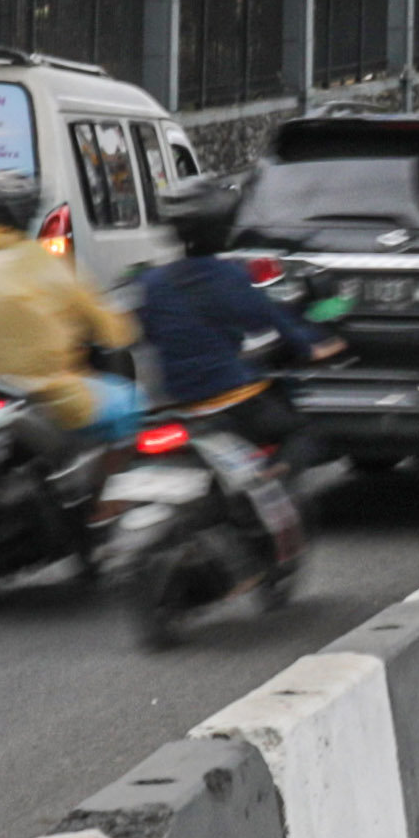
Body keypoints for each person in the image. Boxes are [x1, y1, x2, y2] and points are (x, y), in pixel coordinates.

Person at [127, 178, 326, 567]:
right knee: (303, 433)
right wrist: (312, 346)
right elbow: (277, 327)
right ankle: (271, 481)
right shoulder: (230, 277)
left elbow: (140, 336)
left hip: (175, 409)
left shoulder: (151, 283)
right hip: (233, 405)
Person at [0, 171, 139, 442]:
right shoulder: (45, 263)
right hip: (41, 398)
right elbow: (112, 331)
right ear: (27, 217)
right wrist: (120, 329)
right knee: (127, 399)